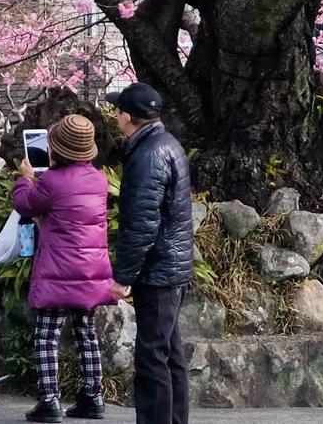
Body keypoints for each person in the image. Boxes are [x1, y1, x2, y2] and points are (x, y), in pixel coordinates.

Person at [13, 114, 117, 422]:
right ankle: (93, 397)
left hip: (58, 271)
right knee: (86, 332)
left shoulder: (50, 182)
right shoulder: (99, 180)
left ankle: (50, 400)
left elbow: (25, 204)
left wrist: (25, 178)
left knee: (47, 335)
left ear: (57, 149)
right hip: (90, 271)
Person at [106, 82, 193, 424]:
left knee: (152, 358)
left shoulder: (147, 155)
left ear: (128, 116)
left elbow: (142, 224)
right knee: (169, 355)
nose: (114, 116)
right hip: (171, 266)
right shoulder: (166, 143)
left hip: (158, 270)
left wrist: (122, 277)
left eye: (116, 111)